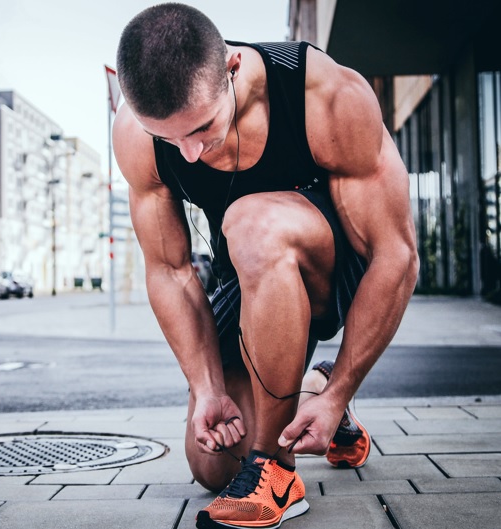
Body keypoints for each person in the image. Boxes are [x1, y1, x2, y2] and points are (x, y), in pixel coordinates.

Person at [112, 3, 419, 528]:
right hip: (248, 275)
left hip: (332, 268)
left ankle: (276, 472)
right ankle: (312, 395)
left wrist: (348, 381)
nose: (188, 153)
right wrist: (206, 387)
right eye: (169, 139)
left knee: (251, 222)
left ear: (232, 68)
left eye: (203, 127)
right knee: (212, 462)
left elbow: (397, 255)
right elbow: (170, 270)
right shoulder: (137, 132)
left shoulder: (323, 94)